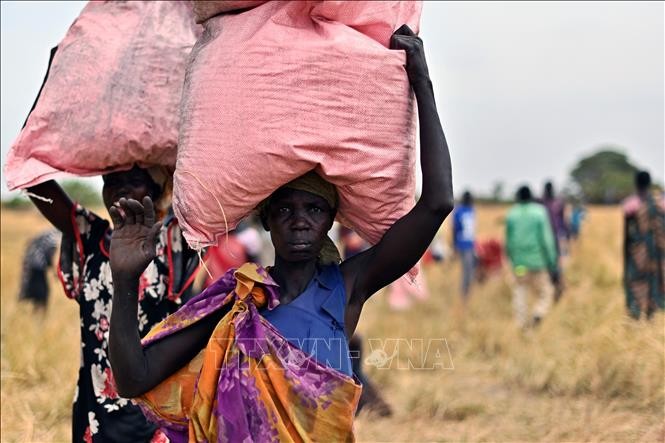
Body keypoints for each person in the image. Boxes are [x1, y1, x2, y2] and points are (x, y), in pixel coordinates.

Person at [108, 25, 453, 441]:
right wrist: (125, 279)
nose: (299, 219)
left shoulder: (347, 285)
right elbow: (133, 379)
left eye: (313, 208)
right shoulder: (238, 300)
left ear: (330, 220)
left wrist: (421, 83)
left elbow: (437, 203)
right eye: (285, 209)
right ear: (266, 220)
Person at [26, 167, 200, 443]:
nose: (122, 189)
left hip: (157, 410)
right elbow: (33, 181)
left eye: (134, 181)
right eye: (112, 181)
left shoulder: (172, 241)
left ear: (156, 191)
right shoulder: (89, 237)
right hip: (96, 410)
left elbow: (213, 197)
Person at [505, 185, 558, 329]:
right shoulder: (539, 212)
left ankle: (521, 326)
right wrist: (552, 262)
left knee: (520, 291)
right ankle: (538, 314)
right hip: (538, 263)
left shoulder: (512, 214)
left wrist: (512, 260)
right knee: (546, 292)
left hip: (520, 264)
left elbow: (508, 241)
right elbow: (547, 240)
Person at [622, 170, 665, 319]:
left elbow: (627, 234)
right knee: (654, 281)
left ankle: (636, 313)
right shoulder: (660, 204)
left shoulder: (631, 205)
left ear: (636, 183)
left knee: (636, 283)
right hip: (657, 253)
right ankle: (651, 314)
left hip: (637, 253)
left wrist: (626, 256)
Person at [17, 229, 61, 312]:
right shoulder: (58, 237)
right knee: (40, 294)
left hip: (31, 262)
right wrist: (57, 273)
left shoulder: (54, 233)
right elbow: (54, 255)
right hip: (36, 264)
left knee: (35, 294)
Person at [540, 181, 567, 300]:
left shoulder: (553, 203)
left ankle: (557, 287)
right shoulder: (545, 203)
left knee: (554, 264)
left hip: (551, 238)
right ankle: (554, 287)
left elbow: (562, 221)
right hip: (551, 238)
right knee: (553, 263)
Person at [452, 190, 476, 300]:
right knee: (467, 272)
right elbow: (455, 229)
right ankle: (464, 295)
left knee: (470, 270)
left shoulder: (471, 210)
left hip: (470, 245)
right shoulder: (459, 211)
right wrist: (454, 245)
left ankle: (467, 292)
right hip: (463, 245)